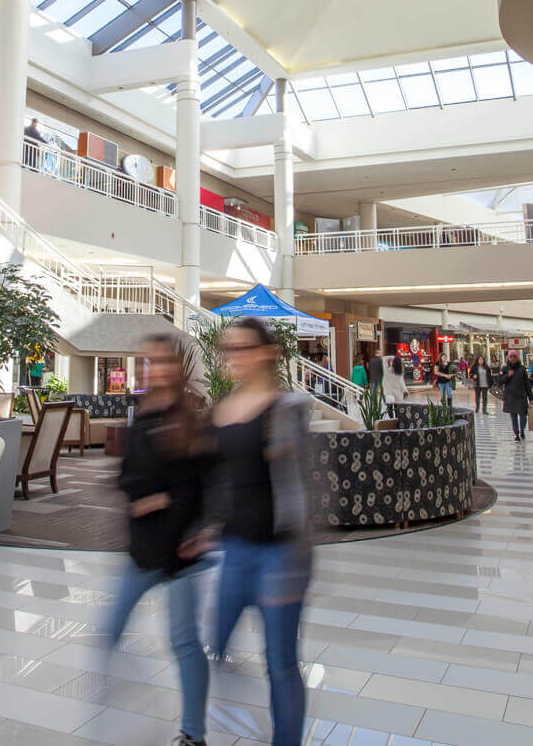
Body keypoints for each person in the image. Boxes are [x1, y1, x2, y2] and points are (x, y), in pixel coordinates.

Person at [210, 317, 313, 746]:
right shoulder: (221, 409)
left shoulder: (286, 409)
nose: (233, 358)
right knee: (215, 638)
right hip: (234, 549)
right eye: (228, 350)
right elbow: (214, 478)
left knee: (280, 662)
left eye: (243, 349)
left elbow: (300, 481)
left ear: (267, 353)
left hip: (280, 552)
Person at [104, 334, 211, 746]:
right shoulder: (142, 416)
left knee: (184, 642)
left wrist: (167, 504)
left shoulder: (192, 419)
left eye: (165, 361)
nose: (158, 368)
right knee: (111, 628)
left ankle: (193, 733)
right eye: (151, 362)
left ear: (176, 369)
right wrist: (144, 497)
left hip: (181, 552)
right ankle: (127, 704)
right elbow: (126, 477)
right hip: (144, 550)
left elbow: (197, 488)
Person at [501, 351, 531, 441]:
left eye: (514, 357)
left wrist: (531, 397)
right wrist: (507, 376)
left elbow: (527, 383)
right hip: (510, 396)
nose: (513, 359)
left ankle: (522, 430)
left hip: (521, 396)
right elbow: (499, 381)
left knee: (523, 415)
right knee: (513, 416)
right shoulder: (505, 368)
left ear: (517, 358)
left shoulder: (522, 368)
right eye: (511, 357)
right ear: (508, 358)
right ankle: (516, 434)